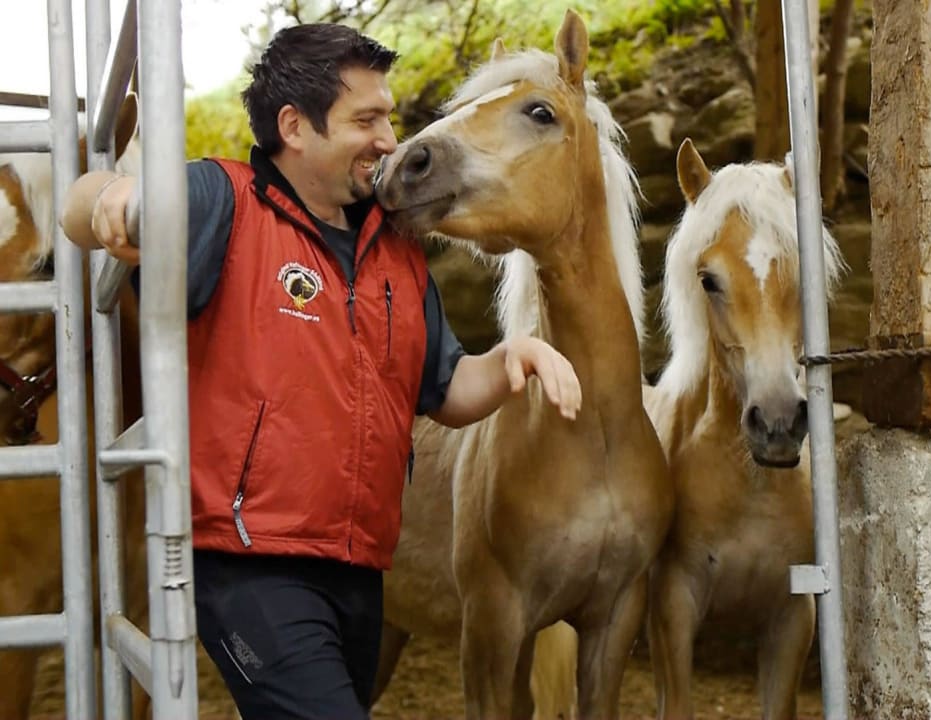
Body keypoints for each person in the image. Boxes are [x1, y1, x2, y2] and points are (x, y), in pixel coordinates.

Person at [60, 23, 581, 719]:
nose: (389, 139)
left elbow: (445, 390)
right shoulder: (226, 201)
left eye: (388, 116)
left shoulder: (395, 250)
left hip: (360, 571)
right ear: (294, 127)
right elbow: (79, 204)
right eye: (366, 119)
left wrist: (509, 357)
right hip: (251, 569)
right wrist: (110, 200)